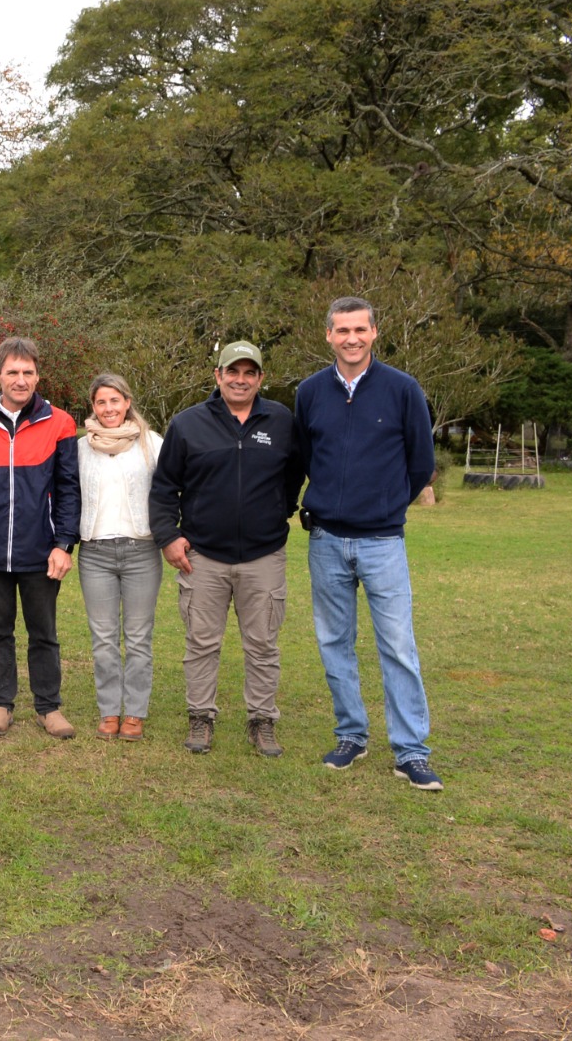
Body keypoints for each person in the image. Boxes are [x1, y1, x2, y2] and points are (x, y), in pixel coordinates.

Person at [295, 297, 442, 790]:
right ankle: (351, 735)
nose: (351, 338)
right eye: (342, 330)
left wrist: (387, 504)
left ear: (375, 332)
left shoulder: (402, 389)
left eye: (360, 329)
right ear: (329, 336)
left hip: (382, 542)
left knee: (398, 646)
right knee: (335, 643)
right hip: (327, 541)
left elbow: (421, 461)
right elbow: (306, 457)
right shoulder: (311, 392)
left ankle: (411, 751)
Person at [149, 341, 303, 758]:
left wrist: (276, 515)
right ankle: (200, 717)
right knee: (201, 642)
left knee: (263, 644)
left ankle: (262, 721)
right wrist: (169, 536)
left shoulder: (282, 421)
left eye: (249, 372)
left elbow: (293, 479)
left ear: (260, 378)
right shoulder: (188, 424)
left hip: (263, 555)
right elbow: (164, 488)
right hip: (204, 557)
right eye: (232, 372)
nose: (240, 379)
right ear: (217, 376)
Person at [0, 337, 81, 739]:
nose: (20, 379)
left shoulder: (59, 422)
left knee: (43, 632)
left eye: (28, 372)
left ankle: (49, 707)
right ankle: (0, 704)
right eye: (12, 372)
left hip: (41, 551)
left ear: (38, 376)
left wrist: (64, 544)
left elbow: (68, 490)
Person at [75, 372, 164, 742]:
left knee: (139, 637)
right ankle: (110, 710)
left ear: (127, 402)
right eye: (101, 402)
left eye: (115, 401)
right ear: (93, 407)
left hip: (141, 550)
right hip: (95, 553)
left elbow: (173, 491)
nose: (108, 408)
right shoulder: (81, 448)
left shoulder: (152, 444)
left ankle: (136, 713)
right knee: (104, 637)